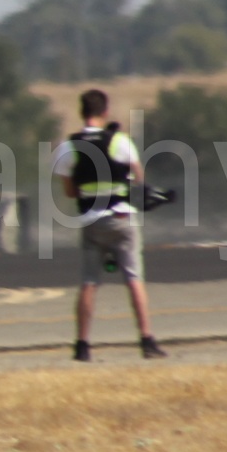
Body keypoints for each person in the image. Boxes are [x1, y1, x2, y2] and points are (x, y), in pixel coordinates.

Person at [51, 89, 166, 361]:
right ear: (105, 111)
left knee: (89, 281)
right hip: (122, 217)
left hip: (91, 220)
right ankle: (147, 340)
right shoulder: (120, 141)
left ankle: (82, 345)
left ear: (82, 112)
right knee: (133, 279)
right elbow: (139, 179)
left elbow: (70, 191)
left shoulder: (69, 146)